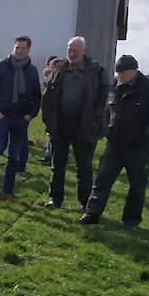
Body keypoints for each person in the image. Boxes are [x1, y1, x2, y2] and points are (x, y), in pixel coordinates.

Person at [79, 55, 149, 227]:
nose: (119, 75)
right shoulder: (114, 87)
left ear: (134, 70)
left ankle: (131, 220)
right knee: (102, 180)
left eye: (123, 71)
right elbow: (107, 110)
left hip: (140, 146)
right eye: (117, 71)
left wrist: (146, 133)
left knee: (137, 186)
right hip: (115, 144)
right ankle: (92, 213)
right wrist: (106, 129)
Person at [42, 36, 110, 210]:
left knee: (84, 168)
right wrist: (48, 121)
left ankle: (85, 203)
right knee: (57, 166)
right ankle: (55, 199)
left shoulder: (97, 71)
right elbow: (48, 97)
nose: (71, 54)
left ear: (84, 51)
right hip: (60, 126)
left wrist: (95, 121)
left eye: (75, 51)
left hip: (85, 126)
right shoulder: (59, 69)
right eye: (69, 50)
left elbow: (103, 100)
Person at [0, 36, 41, 205]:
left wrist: (30, 115)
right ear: (13, 48)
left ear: (28, 50)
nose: (19, 51)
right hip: (1, 118)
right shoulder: (0, 67)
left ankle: (8, 192)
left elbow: (36, 96)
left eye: (22, 48)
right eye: (17, 47)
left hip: (20, 120)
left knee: (14, 158)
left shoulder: (32, 71)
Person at [38, 55, 61, 165]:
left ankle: (51, 158)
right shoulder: (50, 78)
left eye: (52, 66)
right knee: (50, 136)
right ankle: (48, 156)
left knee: (54, 137)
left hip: (56, 113)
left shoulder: (59, 80)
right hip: (50, 112)